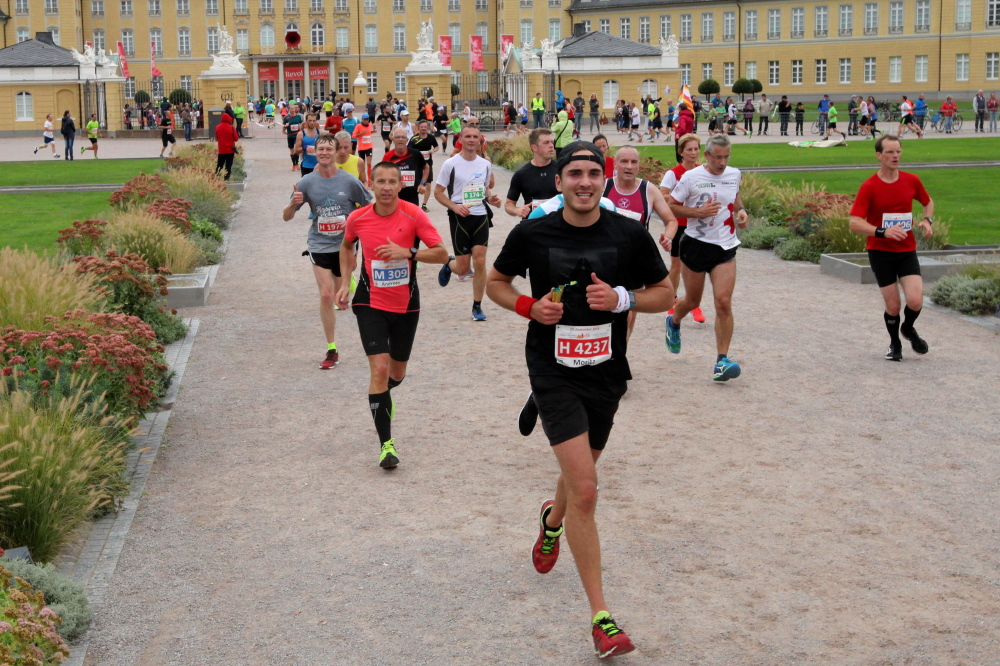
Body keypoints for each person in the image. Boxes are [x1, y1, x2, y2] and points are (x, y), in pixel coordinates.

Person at [486, 140, 673, 659]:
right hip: (552, 372)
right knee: (586, 491)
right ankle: (602, 619)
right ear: (560, 181)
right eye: (575, 174)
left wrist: (622, 299)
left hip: (606, 374)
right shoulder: (534, 231)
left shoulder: (628, 233)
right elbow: (496, 282)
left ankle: (552, 521)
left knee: (578, 478)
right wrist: (528, 306)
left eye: (593, 173)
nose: (585, 182)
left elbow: (665, 293)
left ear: (603, 179)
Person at [336, 161, 449, 469]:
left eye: (391, 182)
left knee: (396, 373)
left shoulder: (414, 215)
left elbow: (441, 253)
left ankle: (383, 397)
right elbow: (346, 247)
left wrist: (408, 253)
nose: (386, 187)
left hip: (406, 305)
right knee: (380, 369)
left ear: (401, 185)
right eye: (380, 181)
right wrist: (345, 282)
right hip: (369, 302)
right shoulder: (358, 218)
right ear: (370, 185)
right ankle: (386, 445)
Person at [283, 132, 372, 370]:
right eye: (320, 149)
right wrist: (293, 203)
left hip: (345, 245)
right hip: (319, 244)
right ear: (315, 152)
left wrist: (352, 221)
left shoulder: (349, 181)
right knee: (326, 295)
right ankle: (331, 348)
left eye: (328, 149)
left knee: (341, 298)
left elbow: (369, 208)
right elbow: (286, 217)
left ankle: (347, 282)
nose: (324, 153)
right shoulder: (307, 182)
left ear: (336, 152)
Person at [665, 133, 750, 381]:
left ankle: (722, 361)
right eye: (717, 157)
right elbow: (671, 205)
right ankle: (674, 320)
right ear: (707, 155)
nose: (722, 163)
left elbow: (735, 195)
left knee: (723, 302)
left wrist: (742, 210)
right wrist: (698, 212)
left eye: (726, 157)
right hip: (696, 245)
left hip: (725, 246)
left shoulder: (734, 174)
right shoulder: (691, 177)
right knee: (692, 301)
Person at [848, 135, 934, 362]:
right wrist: (882, 231)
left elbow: (927, 202)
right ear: (879, 155)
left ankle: (908, 328)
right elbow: (854, 222)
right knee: (893, 305)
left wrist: (927, 221)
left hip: (906, 251)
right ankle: (895, 343)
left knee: (915, 300)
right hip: (880, 253)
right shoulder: (869, 186)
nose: (895, 156)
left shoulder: (911, 180)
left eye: (898, 151)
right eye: (890, 152)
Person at [604, 144, 679, 340]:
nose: (629, 166)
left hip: (633, 261)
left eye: (633, 162)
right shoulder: (604, 187)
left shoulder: (649, 190)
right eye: (624, 161)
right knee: (605, 311)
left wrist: (668, 237)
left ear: (638, 166)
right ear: (615, 165)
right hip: (605, 258)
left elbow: (671, 221)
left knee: (628, 314)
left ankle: (621, 352)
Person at [434, 123, 502, 321]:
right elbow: (438, 193)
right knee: (463, 269)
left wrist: (491, 199)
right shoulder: (451, 164)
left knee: (480, 261)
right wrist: (455, 207)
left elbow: (484, 190)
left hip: (480, 215)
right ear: (461, 140)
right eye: (468, 136)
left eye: (475, 137)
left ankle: (477, 306)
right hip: (459, 217)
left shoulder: (485, 164)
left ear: (480, 140)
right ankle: (449, 263)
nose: (472, 140)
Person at [659, 133, 706, 325]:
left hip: (697, 225)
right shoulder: (673, 173)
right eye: (689, 149)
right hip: (679, 224)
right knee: (677, 265)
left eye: (696, 149)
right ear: (681, 152)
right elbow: (662, 195)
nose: (693, 153)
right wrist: (681, 199)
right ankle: (671, 301)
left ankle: (693, 304)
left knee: (696, 267)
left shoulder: (703, 171)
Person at [505, 128, 558, 219]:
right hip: (532, 224)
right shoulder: (521, 174)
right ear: (534, 147)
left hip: (558, 224)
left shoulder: (562, 170)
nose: (551, 146)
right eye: (546, 143)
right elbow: (509, 204)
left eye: (552, 142)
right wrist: (517, 210)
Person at [383, 127, 428, 206]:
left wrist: (422, 183)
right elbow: (382, 176)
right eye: (398, 137)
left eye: (403, 137)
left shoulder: (415, 154)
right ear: (393, 139)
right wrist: (394, 184)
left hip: (413, 198)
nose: (400, 139)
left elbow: (426, 167)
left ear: (407, 140)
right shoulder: (388, 156)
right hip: (394, 197)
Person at [407, 120, 439, 211]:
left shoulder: (431, 138)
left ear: (428, 128)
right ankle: (414, 203)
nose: (423, 128)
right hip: (417, 165)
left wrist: (433, 150)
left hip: (428, 164)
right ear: (419, 128)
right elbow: (408, 150)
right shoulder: (414, 138)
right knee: (416, 184)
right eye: (422, 127)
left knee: (428, 184)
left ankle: (424, 204)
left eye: (425, 127)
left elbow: (436, 147)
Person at [214, 111, 240, 181]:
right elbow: (236, 139)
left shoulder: (217, 127)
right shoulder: (231, 128)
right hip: (230, 150)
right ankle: (226, 178)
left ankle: (217, 177)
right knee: (228, 166)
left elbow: (217, 138)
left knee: (219, 165)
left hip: (221, 150)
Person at [284, 103, 304, 170]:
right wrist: (285, 127)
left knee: (296, 150)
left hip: (297, 136)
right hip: (290, 136)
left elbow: (302, 125)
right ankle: (293, 164)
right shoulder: (286, 117)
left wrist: (301, 130)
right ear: (289, 109)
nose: (293, 110)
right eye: (291, 108)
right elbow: (283, 128)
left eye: (294, 108)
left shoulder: (298, 117)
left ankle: (297, 164)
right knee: (292, 151)